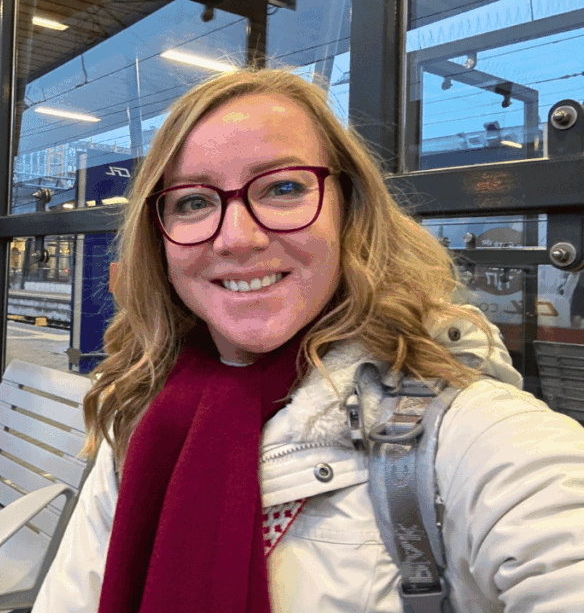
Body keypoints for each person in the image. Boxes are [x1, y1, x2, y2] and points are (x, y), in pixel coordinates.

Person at [33, 68, 584, 613]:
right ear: (160, 241)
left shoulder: (467, 434)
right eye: (194, 202)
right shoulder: (141, 416)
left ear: (351, 211)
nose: (238, 239)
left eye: (284, 188)